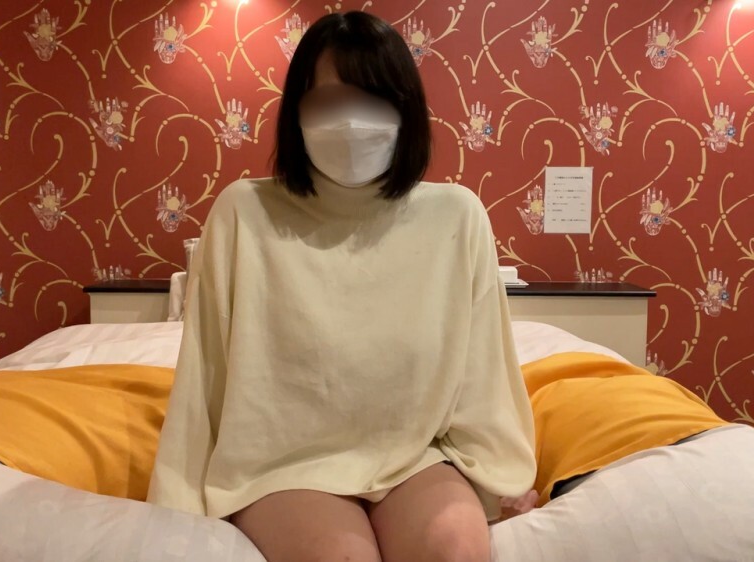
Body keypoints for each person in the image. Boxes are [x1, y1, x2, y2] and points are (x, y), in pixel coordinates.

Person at [147, 11, 536, 562]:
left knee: (457, 551)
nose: (351, 121)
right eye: (328, 102)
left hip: (413, 456)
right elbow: (205, 370)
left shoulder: (457, 215)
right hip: (283, 463)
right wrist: (177, 502)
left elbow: (484, 367)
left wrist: (501, 475)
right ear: (296, 112)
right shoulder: (244, 212)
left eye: (371, 100)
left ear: (405, 110)